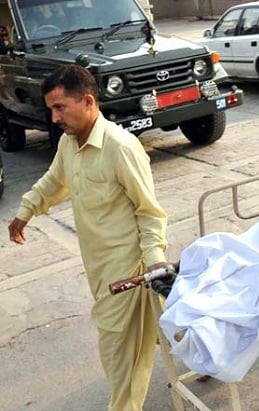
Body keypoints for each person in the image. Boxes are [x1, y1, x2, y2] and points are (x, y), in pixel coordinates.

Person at [8, 65, 169, 411]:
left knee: (119, 354)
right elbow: (55, 180)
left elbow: (148, 210)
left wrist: (155, 260)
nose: (53, 118)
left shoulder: (120, 147)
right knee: (151, 337)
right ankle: (200, 359)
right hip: (98, 269)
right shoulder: (70, 143)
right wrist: (26, 210)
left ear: (88, 102)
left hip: (128, 270)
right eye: (51, 109)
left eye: (60, 107)